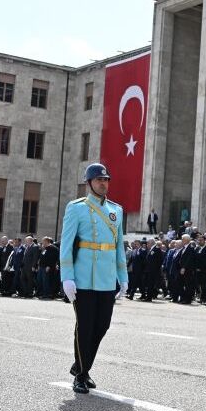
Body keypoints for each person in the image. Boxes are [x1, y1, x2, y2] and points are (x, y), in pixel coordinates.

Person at [61, 163, 128, 394]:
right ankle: (81, 374)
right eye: (99, 180)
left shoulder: (116, 211)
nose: (104, 183)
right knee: (85, 326)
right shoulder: (76, 208)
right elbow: (66, 246)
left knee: (102, 325)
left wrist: (123, 277)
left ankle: (81, 366)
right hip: (83, 278)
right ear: (89, 183)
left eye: (106, 180)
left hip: (107, 279)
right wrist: (67, 278)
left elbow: (119, 246)